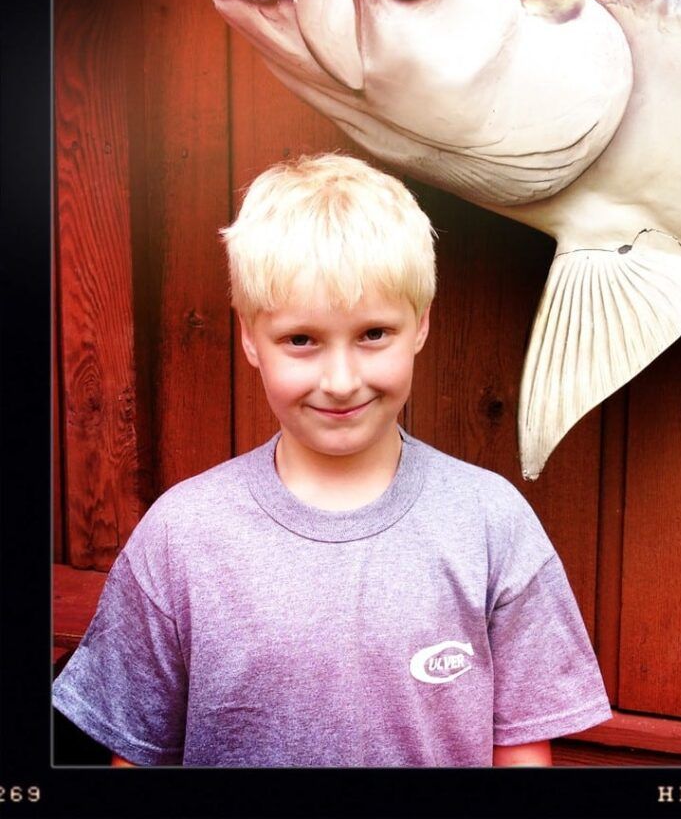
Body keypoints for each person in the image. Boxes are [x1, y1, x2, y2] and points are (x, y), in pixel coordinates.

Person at [52, 152, 611, 767]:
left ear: (421, 324)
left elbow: (522, 754)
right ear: (250, 337)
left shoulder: (490, 522)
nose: (341, 381)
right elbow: (135, 755)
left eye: (373, 334)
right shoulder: (181, 537)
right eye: (302, 340)